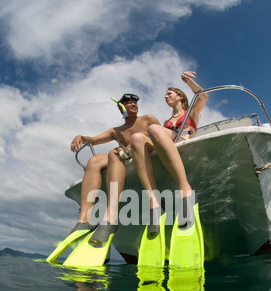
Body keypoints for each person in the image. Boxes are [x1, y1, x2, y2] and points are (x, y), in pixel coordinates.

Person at [70, 94, 160, 244]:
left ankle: (110, 217)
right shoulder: (115, 131)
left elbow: (161, 137)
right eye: (128, 102)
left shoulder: (147, 119)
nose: (133, 104)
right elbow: (92, 140)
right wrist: (79, 136)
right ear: (121, 108)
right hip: (124, 157)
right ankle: (85, 218)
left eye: (135, 102)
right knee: (93, 160)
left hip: (144, 152)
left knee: (115, 152)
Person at [130, 71, 208, 235]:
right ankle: (155, 203)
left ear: (180, 96)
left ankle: (185, 189)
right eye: (164, 95)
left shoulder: (191, 112)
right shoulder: (166, 123)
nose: (165, 97)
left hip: (184, 144)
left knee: (152, 128)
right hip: (169, 148)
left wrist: (187, 81)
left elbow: (202, 96)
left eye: (169, 94)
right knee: (137, 138)